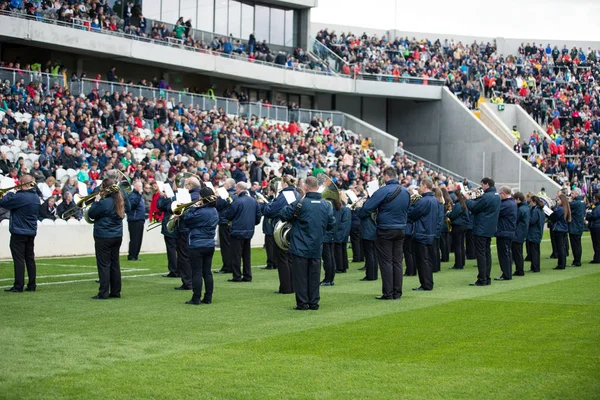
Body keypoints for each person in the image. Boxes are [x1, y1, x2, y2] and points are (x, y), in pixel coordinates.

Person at [280, 176, 335, 310]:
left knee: (300, 277)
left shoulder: (300, 203)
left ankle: (303, 303)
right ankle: (314, 302)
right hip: (316, 245)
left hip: (300, 245)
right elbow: (331, 224)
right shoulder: (325, 205)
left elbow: (283, 215)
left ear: (305, 187)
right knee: (314, 276)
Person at [361, 167, 410, 300]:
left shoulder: (383, 190)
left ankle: (388, 293)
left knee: (386, 262)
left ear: (386, 177)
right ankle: (397, 292)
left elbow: (367, 207)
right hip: (400, 228)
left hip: (385, 228)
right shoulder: (405, 191)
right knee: (397, 261)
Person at [87, 179, 130, 299]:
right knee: (115, 264)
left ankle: (104, 292)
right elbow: (129, 207)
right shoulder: (119, 200)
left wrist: (96, 201)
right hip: (117, 235)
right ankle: (116, 291)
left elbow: (91, 214)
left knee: (104, 264)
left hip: (104, 235)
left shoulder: (104, 202)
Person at [0, 175, 40, 293]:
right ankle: (32, 285)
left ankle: (18, 285)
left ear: (22, 183)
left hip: (18, 231)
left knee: (18, 259)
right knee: (30, 258)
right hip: (31, 231)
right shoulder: (35, 197)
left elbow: (3, 202)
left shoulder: (20, 196)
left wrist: (11, 192)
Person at [262, 175, 300, 294]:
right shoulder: (297, 193)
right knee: (290, 259)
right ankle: (293, 286)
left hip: (282, 229)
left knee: (282, 259)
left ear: (284, 183)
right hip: (293, 228)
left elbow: (270, 211)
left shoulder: (285, 194)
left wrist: (268, 203)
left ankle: (285, 287)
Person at [182, 187, 219, 305]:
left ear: (202, 197)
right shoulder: (214, 210)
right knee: (207, 272)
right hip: (209, 244)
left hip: (197, 244)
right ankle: (208, 297)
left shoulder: (199, 211)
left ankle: (196, 297)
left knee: (197, 272)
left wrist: (193, 207)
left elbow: (187, 220)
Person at [466, 178, 501, 286]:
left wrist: (467, 199)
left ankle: (482, 279)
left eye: (482, 185)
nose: (481, 187)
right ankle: (486, 277)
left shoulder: (487, 196)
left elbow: (473, 207)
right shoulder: (496, 195)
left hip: (481, 228)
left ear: (487, 184)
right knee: (486, 253)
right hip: (489, 228)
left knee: (481, 254)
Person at [224, 182, 262, 282]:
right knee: (246, 255)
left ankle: (236, 276)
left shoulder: (237, 201)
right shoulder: (254, 201)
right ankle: (247, 275)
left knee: (236, 255)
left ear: (238, 188)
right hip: (249, 231)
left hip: (237, 231)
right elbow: (258, 217)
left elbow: (229, 215)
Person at [407, 178, 438, 291]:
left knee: (422, 260)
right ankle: (428, 282)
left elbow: (412, 213)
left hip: (422, 232)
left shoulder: (423, 201)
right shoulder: (434, 199)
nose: (419, 187)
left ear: (425, 186)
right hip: (429, 232)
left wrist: (411, 204)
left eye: (420, 185)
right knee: (427, 260)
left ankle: (426, 284)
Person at [174, 177, 202, 290]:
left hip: (185, 229)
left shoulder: (191, 196)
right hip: (189, 230)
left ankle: (187, 282)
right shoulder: (198, 195)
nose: (185, 187)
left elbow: (185, 212)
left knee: (184, 256)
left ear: (191, 185)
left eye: (186, 185)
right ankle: (189, 281)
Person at [495, 186, 517, 281]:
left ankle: (506, 274)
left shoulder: (507, 204)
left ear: (503, 193)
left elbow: (496, 212)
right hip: (506, 231)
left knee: (504, 254)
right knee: (506, 253)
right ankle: (506, 273)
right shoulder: (511, 203)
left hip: (504, 231)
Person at [215, 178, 236, 274]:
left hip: (224, 221)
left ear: (228, 186)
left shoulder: (225, 194)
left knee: (225, 245)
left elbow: (218, 205)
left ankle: (227, 266)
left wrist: (217, 196)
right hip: (232, 222)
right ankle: (231, 265)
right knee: (231, 245)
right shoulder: (235, 194)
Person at [157, 191, 178, 278]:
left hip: (171, 223)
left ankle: (174, 270)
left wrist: (162, 196)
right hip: (180, 226)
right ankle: (180, 269)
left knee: (171, 249)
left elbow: (160, 206)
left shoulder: (171, 196)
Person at [448, 189, 470, 269]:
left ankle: (458, 264)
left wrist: (448, 213)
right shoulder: (463, 204)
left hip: (458, 226)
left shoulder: (458, 205)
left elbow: (453, 215)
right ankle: (461, 262)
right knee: (461, 245)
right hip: (463, 226)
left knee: (457, 246)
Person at [550, 193, 571, 270]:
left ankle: (561, 264)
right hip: (563, 228)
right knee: (562, 247)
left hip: (559, 229)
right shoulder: (565, 208)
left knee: (560, 247)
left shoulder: (560, 209)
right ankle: (562, 263)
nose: (557, 201)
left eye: (558, 200)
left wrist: (551, 212)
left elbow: (553, 217)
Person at [358, 201, 378, 281]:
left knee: (369, 254)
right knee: (374, 254)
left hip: (368, 231)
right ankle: (374, 274)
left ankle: (370, 275)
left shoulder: (369, 204)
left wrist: (358, 208)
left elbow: (361, 214)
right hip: (374, 230)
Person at [127, 181, 145, 261]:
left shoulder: (138, 196)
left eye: (142, 186)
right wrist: (139, 195)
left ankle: (136, 255)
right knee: (134, 239)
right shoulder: (132, 195)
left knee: (139, 239)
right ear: (135, 187)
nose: (141, 188)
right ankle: (132, 255)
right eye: (140, 186)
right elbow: (133, 205)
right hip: (134, 220)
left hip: (140, 219)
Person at [512, 192, 530, 276]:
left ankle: (519, 270)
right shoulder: (525, 207)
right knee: (519, 252)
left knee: (517, 253)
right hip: (522, 232)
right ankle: (520, 269)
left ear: (518, 199)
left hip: (518, 232)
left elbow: (515, 219)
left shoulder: (521, 209)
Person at [334, 192, 351, 274]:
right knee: (343, 249)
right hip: (345, 231)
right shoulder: (346, 208)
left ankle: (339, 267)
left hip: (340, 231)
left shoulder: (341, 208)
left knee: (338, 249)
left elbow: (338, 221)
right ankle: (344, 266)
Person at [527, 195, 546, 272]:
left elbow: (532, 221)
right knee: (536, 251)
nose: (530, 203)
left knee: (534, 251)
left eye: (531, 201)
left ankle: (535, 267)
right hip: (537, 232)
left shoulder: (535, 210)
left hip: (534, 232)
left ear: (534, 202)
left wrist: (527, 218)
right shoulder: (540, 210)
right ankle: (535, 266)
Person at [568, 188, 585, 267]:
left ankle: (577, 261)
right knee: (578, 244)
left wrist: (569, 201)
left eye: (572, 193)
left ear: (576, 194)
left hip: (575, 226)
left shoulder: (575, 203)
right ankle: (577, 260)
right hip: (579, 225)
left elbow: (567, 206)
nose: (571, 195)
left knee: (575, 245)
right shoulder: (582, 202)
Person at [431, 187, 444, 273]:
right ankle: (437, 266)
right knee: (436, 248)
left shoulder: (437, 204)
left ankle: (434, 267)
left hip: (435, 228)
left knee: (434, 249)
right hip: (438, 228)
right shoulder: (441, 204)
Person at [350, 187, 364, 262]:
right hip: (359, 222)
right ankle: (361, 256)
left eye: (354, 191)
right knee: (360, 241)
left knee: (355, 241)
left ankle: (357, 257)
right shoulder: (362, 198)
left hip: (355, 222)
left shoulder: (357, 199)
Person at [586, 194, 600, 264]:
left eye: (594, 199)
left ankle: (597, 258)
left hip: (596, 227)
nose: (593, 201)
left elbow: (594, 216)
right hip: (596, 226)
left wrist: (588, 214)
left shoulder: (597, 208)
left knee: (596, 243)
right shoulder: (596, 207)